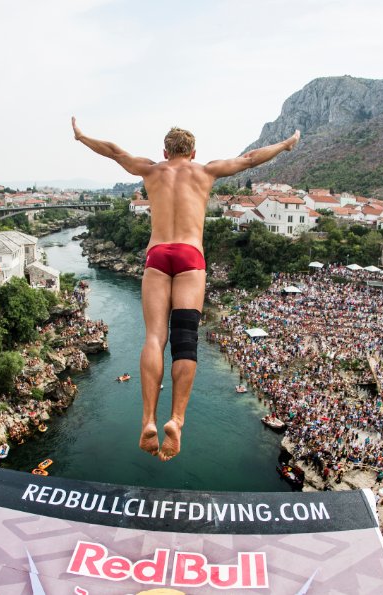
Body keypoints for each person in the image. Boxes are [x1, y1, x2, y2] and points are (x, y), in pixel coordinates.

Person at [72, 117, 300, 460]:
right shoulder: (206, 171)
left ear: (164, 151)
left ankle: (148, 419)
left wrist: (82, 136)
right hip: (191, 257)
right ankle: (176, 420)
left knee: (153, 338)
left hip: (158, 254)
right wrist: (285, 144)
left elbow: (114, 152)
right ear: (193, 152)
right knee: (185, 339)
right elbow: (252, 158)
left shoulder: (151, 170)